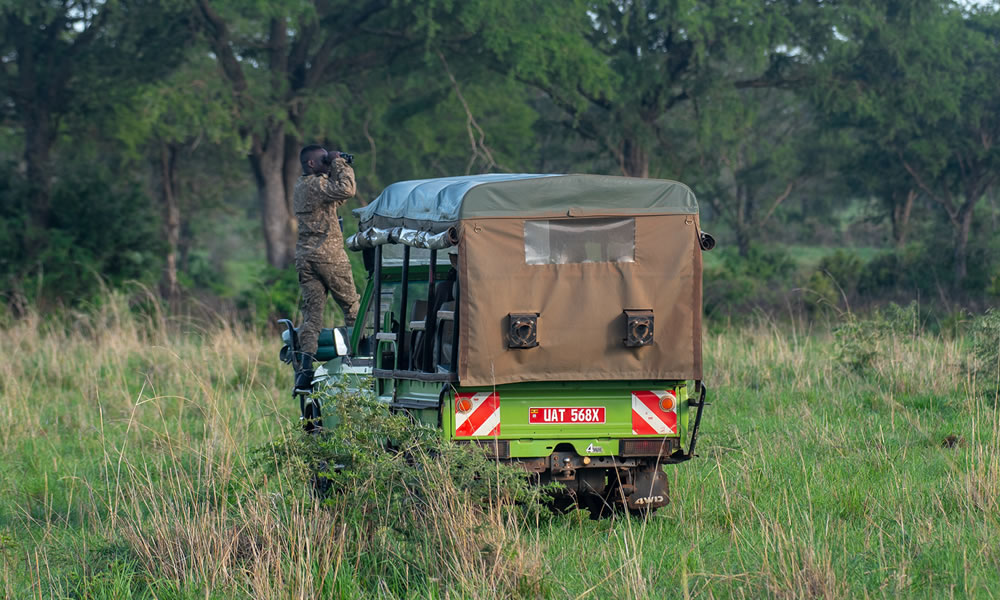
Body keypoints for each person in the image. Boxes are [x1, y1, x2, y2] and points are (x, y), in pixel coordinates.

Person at [293, 144, 360, 394]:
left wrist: (334, 165)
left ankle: (305, 370)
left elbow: (337, 196)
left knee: (312, 317)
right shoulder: (315, 184)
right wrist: (340, 163)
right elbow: (348, 189)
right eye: (322, 160)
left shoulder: (302, 186)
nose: (326, 162)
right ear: (311, 164)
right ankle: (360, 358)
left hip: (305, 257)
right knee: (352, 307)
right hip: (329, 255)